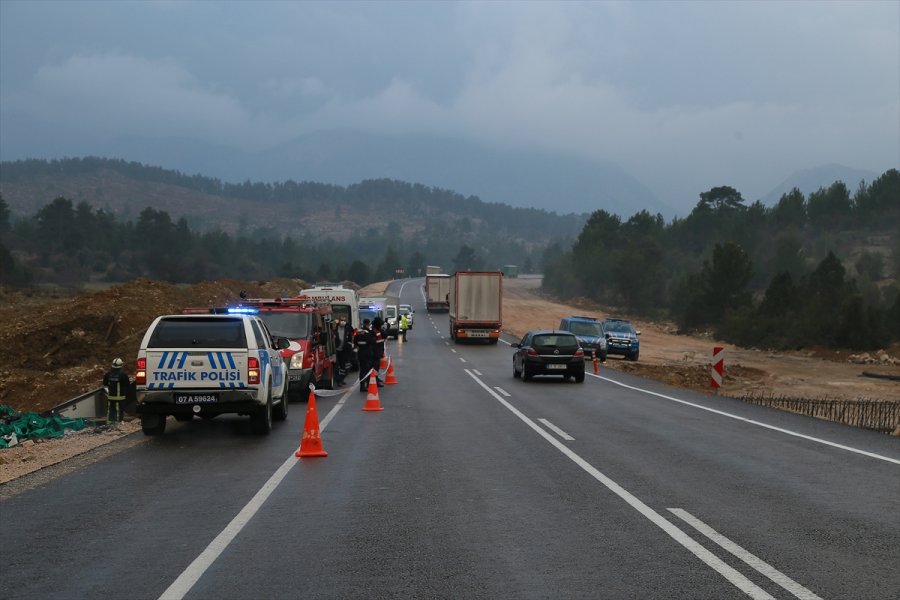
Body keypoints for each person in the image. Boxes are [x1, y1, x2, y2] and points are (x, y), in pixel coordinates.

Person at [102, 357, 130, 424]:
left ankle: (109, 424)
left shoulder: (108, 374)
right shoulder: (123, 375)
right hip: (120, 398)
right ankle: (118, 424)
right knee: (119, 412)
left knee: (111, 410)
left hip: (111, 398)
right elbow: (128, 385)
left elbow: (105, 384)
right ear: (121, 365)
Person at [354, 318, 375, 392]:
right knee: (368, 369)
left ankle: (362, 385)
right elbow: (371, 341)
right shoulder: (367, 332)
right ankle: (368, 384)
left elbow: (355, 341)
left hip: (360, 353)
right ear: (368, 324)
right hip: (367, 353)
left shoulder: (358, 332)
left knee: (362, 370)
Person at [371, 317, 386, 387]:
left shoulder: (378, 330)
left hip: (378, 351)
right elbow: (374, 343)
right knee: (375, 367)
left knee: (377, 367)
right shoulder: (374, 331)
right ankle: (375, 380)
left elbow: (384, 336)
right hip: (375, 352)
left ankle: (376, 378)